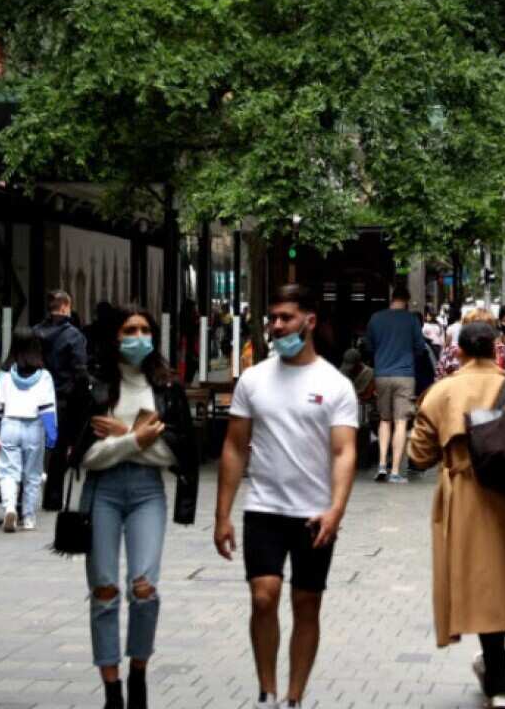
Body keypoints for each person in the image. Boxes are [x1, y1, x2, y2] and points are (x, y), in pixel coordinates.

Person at [213, 284, 357, 709]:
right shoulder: (254, 380)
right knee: (264, 595)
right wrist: (222, 514)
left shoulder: (335, 384)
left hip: (315, 514)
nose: (276, 326)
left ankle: (294, 697)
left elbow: (344, 450)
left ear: (309, 322)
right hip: (264, 508)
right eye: (273, 318)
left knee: (307, 602)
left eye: (286, 318)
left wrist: (336, 509)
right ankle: (266, 692)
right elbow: (235, 447)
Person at [407, 321, 505, 708]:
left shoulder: (441, 393)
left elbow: (418, 456)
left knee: (481, 588)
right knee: (503, 584)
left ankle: (498, 681)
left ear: (458, 352)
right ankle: (495, 674)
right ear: (496, 350)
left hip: (466, 498)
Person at [71, 306, 200, 709]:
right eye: (130, 330)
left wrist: (125, 436)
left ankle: (139, 675)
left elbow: (175, 454)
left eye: (145, 330)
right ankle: (112, 688)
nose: (138, 336)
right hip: (102, 492)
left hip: (148, 493)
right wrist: (139, 440)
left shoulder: (165, 387)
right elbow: (85, 456)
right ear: (115, 336)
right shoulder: (93, 385)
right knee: (105, 590)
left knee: (144, 588)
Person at [0, 329, 59, 532]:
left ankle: (10, 507)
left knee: (7, 472)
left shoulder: (4, 373)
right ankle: (28, 517)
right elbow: (47, 409)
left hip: (9, 424)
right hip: (34, 427)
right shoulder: (44, 376)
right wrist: (52, 437)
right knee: (33, 474)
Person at [364, 286, 427, 484]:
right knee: (401, 422)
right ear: (407, 300)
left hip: (381, 374)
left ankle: (381, 464)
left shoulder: (375, 318)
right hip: (405, 375)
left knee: (384, 420)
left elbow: (369, 347)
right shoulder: (411, 320)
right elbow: (420, 347)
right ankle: (395, 471)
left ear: (392, 298)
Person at [36, 290, 91, 511]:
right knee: (59, 450)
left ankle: (25, 494)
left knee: (34, 445)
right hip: (61, 402)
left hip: (35, 399)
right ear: (66, 307)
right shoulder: (74, 336)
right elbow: (79, 371)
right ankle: (53, 497)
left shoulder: (35, 332)